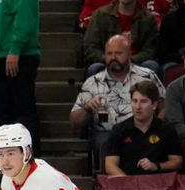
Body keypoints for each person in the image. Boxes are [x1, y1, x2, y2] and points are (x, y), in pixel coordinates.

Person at [69, 34, 164, 167]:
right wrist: (87, 108)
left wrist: (157, 128)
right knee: (108, 143)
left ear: (129, 54)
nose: (113, 57)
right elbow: (74, 122)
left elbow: (163, 106)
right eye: (109, 53)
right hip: (107, 133)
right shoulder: (93, 83)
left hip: (144, 130)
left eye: (118, 53)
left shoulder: (147, 76)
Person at [0, 0, 41, 155]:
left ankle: (30, 158)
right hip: (3, 55)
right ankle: (8, 157)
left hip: (20, 56)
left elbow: (24, 19)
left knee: (23, 110)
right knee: (1, 110)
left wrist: (15, 49)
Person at [104, 80, 182, 176]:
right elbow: (110, 165)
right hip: (127, 184)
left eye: (143, 101)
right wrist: (128, 182)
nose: (138, 107)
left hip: (158, 185)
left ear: (154, 105)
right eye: (134, 101)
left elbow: (177, 162)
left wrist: (156, 166)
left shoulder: (167, 129)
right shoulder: (119, 130)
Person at [82, 0, 159, 77]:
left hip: (137, 63)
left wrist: (130, 60)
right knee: (95, 68)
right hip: (106, 63)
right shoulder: (100, 15)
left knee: (152, 65)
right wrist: (111, 58)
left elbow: (150, 50)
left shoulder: (148, 19)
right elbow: (90, 46)